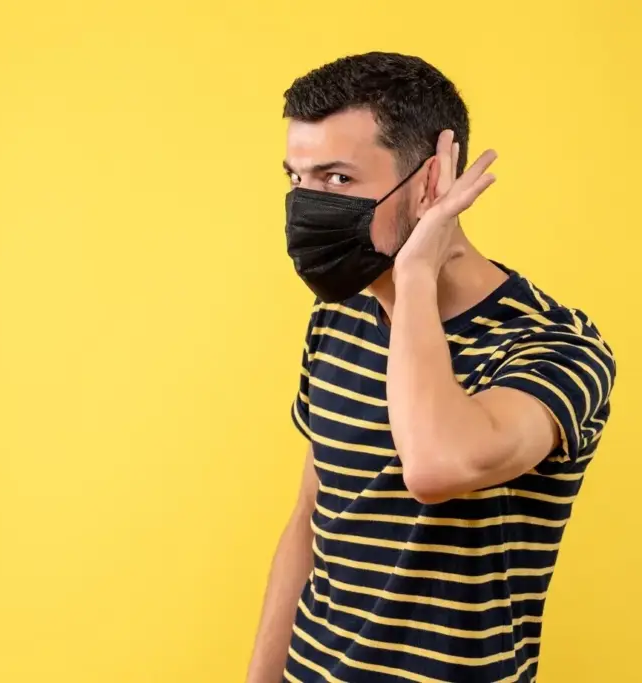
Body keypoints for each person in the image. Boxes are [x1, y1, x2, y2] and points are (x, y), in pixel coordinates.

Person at [245, 52, 616, 683]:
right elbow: (312, 516)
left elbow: (436, 466)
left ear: (432, 180)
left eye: (337, 179)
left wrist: (416, 273)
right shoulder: (338, 317)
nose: (306, 206)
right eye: (297, 179)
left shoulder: (554, 346)